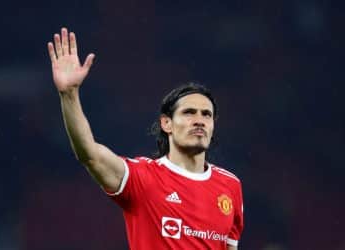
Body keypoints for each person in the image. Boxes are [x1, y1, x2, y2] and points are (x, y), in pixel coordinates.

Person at [47, 27, 244, 250]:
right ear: (166, 123)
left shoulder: (231, 186)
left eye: (206, 114)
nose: (199, 120)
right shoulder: (144, 178)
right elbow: (90, 155)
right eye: (189, 113)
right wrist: (69, 94)